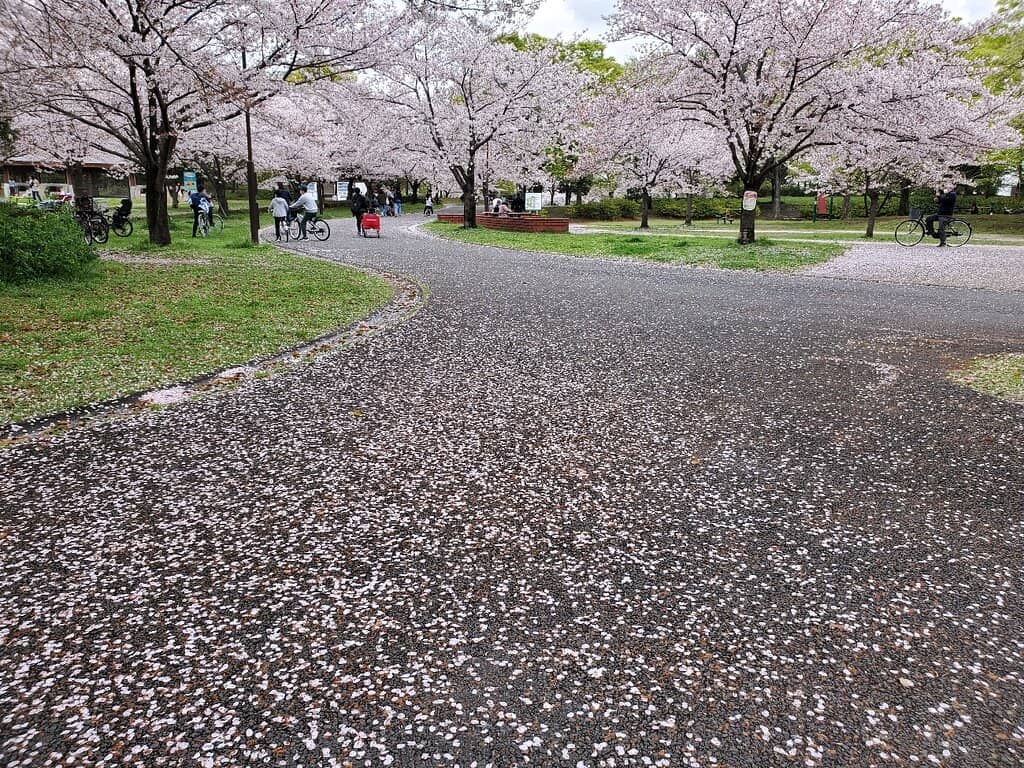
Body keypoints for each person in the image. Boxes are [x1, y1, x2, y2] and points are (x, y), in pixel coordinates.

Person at [926, 181, 957, 247]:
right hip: (940, 213)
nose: (946, 189)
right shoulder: (946, 194)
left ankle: (943, 242)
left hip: (946, 214)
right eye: (946, 187)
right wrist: (937, 200)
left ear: (951, 188)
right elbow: (941, 201)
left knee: (941, 228)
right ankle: (932, 232)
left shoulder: (952, 194)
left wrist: (939, 196)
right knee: (928, 219)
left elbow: (946, 200)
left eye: (948, 188)